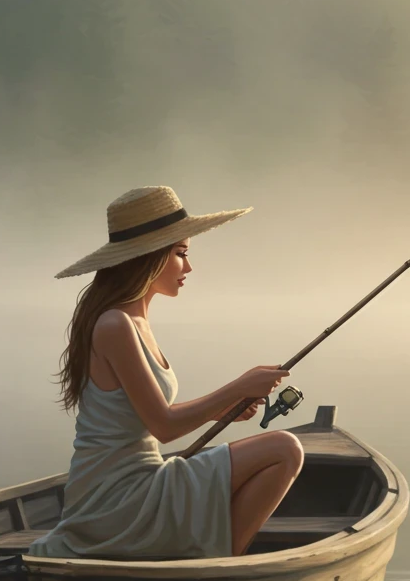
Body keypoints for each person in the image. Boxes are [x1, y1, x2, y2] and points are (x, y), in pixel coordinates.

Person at [28, 186, 304, 560]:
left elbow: (150, 416)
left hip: (136, 484)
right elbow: (165, 426)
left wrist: (224, 409)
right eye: (181, 254)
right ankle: (221, 569)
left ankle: (217, 562)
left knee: (277, 451)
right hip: (117, 500)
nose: (188, 267)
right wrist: (239, 386)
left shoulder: (131, 318)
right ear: (149, 257)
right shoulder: (115, 324)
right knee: (285, 448)